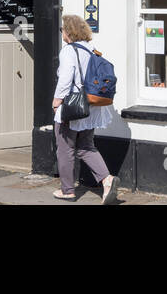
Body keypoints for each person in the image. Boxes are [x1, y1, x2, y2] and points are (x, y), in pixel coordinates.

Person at [52, 13, 119, 203]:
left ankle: (67, 190)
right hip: (91, 106)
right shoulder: (92, 49)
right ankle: (107, 180)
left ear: (69, 31)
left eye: (62, 29)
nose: (61, 33)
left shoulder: (68, 51)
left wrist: (57, 101)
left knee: (65, 147)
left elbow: (66, 79)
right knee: (86, 145)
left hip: (73, 106)